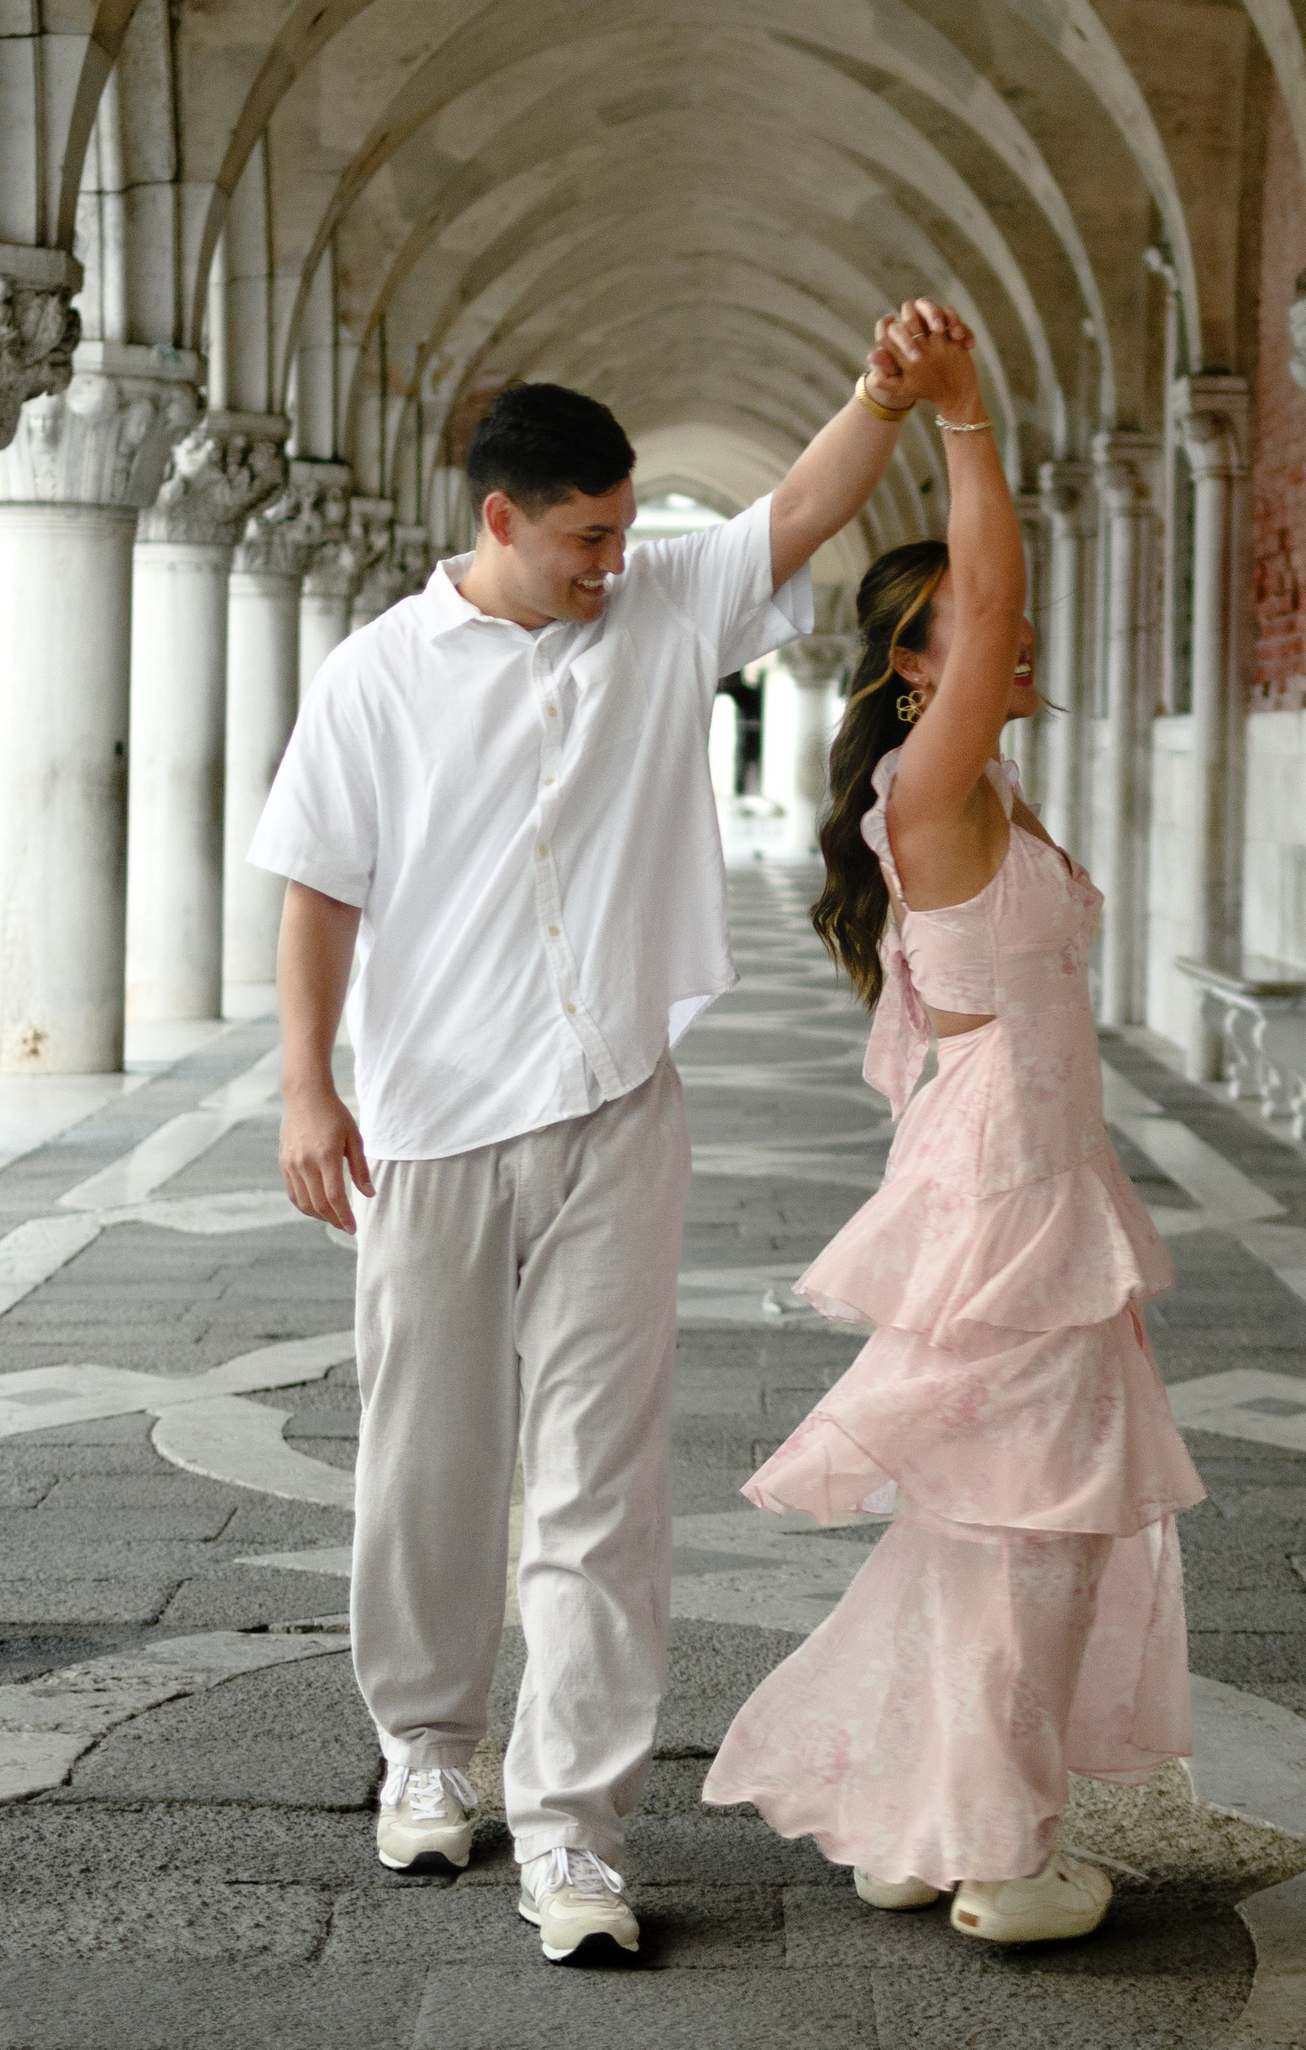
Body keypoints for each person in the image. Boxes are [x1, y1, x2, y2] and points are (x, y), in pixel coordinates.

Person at [254, 309, 964, 1966]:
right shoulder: (375, 676)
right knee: (426, 1455)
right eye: (585, 536)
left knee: (602, 1480)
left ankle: (576, 1827)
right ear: (499, 519)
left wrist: (885, 392)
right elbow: (318, 892)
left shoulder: (659, 609)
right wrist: (305, 1087)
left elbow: (800, 508)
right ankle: (429, 1746)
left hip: (618, 1109)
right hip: (430, 1121)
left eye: (626, 531)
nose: (613, 561)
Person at [704, 320, 1204, 1942]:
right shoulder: (934, 789)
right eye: (977, 636)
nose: (1015, 640)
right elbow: (990, 601)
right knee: (1038, 1528)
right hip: (1012, 1192)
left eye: (1003, 634)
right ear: (915, 669)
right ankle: (1001, 1854)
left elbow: (991, 612)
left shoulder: (978, 793)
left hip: (1031, 1169)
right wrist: (968, 419)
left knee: (992, 1522)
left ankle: (920, 1823)